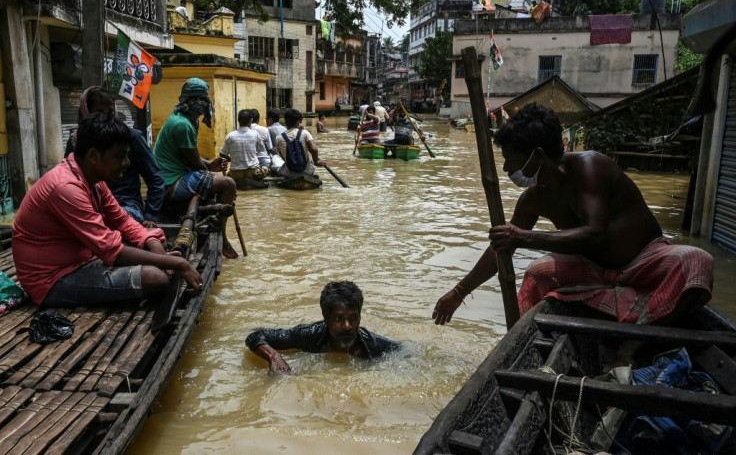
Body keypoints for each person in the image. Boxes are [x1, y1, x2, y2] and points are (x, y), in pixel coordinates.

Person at [432, 103, 713, 328]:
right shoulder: (533, 199)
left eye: (513, 161)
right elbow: (501, 249)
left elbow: (594, 233)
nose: (506, 170)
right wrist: (458, 292)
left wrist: (523, 237)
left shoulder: (591, 168)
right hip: (594, 271)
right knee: (537, 272)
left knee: (696, 261)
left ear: (538, 155)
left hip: (643, 261)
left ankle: (640, 336)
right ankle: (519, 342)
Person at [12, 112, 203, 307]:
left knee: (151, 259)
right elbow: (113, 251)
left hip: (82, 261)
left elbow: (121, 220)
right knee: (154, 277)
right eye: (120, 157)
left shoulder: (93, 181)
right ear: (94, 156)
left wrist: (152, 241)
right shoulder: (65, 188)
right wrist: (174, 263)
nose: (126, 163)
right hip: (51, 281)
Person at [153, 78, 239, 259]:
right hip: (169, 185)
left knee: (218, 180)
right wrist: (208, 168)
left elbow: (193, 156)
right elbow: (194, 163)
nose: (200, 104)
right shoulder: (182, 124)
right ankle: (222, 236)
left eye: (203, 100)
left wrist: (209, 164)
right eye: (196, 99)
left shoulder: (188, 121)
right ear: (187, 100)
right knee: (229, 184)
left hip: (173, 178)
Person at [245, 281, 401, 373]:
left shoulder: (373, 345)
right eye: (339, 319)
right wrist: (274, 357)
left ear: (360, 318)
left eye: (353, 318)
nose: (347, 326)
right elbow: (256, 336)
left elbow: (404, 352)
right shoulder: (308, 335)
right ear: (326, 318)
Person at [64, 87, 166, 228]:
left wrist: (150, 215)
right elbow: (71, 177)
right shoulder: (76, 141)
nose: (107, 116)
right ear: (86, 111)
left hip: (126, 205)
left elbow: (155, 177)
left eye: (110, 112)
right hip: (89, 205)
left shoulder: (130, 137)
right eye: (99, 112)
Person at [219, 109, 269, 187]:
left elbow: (221, 154)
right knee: (265, 168)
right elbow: (261, 150)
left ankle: (240, 182)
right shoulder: (255, 134)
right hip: (253, 172)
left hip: (236, 173)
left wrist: (230, 159)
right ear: (251, 121)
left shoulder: (230, 136)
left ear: (238, 120)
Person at [274, 108, 326, 177]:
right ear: (298, 122)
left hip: (289, 173)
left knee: (275, 165)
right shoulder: (305, 133)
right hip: (307, 172)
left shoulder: (278, 138)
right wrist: (316, 161)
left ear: (285, 121)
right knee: (310, 166)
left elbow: (282, 156)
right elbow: (314, 149)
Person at [265, 108, 286, 173]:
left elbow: (269, 148)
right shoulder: (284, 128)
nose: (266, 121)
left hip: (276, 157)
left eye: (266, 119)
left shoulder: (268, 130)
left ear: (270, 119)